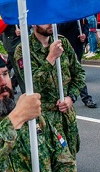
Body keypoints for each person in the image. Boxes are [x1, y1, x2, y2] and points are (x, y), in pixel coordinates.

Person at [14, 24, 86, 159]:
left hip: (66, 115)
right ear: (34, 23)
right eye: (45, 20)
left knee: (70, 158)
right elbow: (33, 85)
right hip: (44, 119)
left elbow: (79, 74)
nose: (50, 24)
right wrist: (51, 57)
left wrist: (71, 97)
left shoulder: (61, 42)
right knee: (50, 162)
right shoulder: (24, 49)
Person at [57, 20, 97, 108]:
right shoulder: (65, 14)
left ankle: (83, 97)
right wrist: (73, 18)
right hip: (65, 46)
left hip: (77, 45)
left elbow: (85, 24)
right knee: (67, 72)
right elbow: (60, 28)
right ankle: (82, 97)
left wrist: (84, 34)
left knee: (77, 72)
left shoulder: (79, 13)